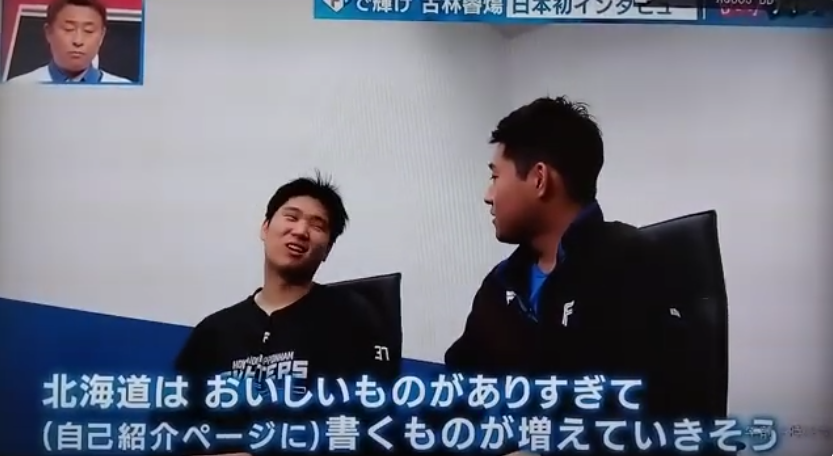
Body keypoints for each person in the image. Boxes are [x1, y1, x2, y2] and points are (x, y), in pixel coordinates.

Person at [444, 97, 694, 455]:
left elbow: (657, 410)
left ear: (539, 179)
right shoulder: (500, 285)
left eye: (495, 176)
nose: (488, 195)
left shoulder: (629, 263)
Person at [153, 173, 397, 456]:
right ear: (265, 228)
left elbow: (367, 430)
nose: (301, 231)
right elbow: (169, 432)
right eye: (291, 217)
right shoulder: (214, 331)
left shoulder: (353, 322)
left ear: (328, 249)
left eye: (317, 225)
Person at [8, 0, 130, 83]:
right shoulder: (19, 88)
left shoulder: (124, 92)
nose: (78, 41)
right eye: (68, 29)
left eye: (88, 31)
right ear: (48, 32)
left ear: (102, 36)